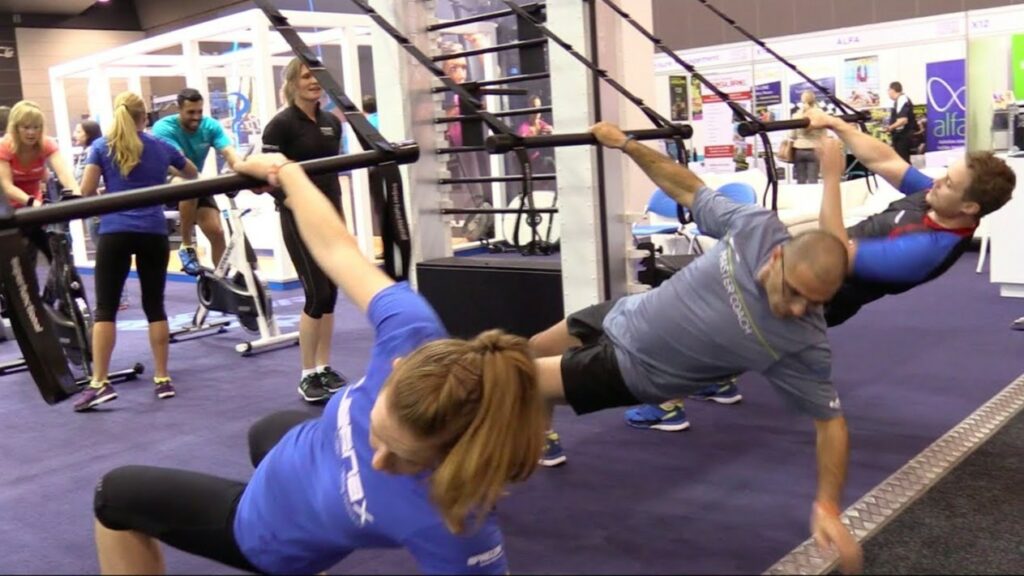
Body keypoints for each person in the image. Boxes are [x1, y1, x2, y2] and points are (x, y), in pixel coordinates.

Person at [90, 151, 545, 575]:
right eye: (379, 432)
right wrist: (286, 172)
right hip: (309, 459)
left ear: (453, 456)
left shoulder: (453, 521)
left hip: (265, 533)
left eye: (404, 458)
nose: (379, 460)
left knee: (113, 494)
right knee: (267, 430)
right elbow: (336, 249)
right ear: (399, 368)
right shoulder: (413, 332)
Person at [530, 121, 862, 574]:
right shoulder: (756, 228)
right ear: (778, 256)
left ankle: (482, 466)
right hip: (627, 313)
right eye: (795, 292)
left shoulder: (802, 343)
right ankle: (542, 439)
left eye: (814, 303)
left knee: (517, 381)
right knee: (533, 348)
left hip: (633, 368)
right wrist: (626, 144)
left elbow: (831, 424)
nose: (798, 308)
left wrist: (827, 505)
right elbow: (690, 189)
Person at [622, 107, 1015, 431]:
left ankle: (668, 405)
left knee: (721, 326)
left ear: (969, 208)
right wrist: (837, 125)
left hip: (817, 297)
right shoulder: (935, 199)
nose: (937, 182)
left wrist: (831, 176)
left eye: (950, 183)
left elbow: (834, 250)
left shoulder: (927, 249)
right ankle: (719, 382)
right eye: (945, 175)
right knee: (740, 331)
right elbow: (885, 160)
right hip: (806, 270)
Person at [73, 91, 199, 412]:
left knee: (105, 309)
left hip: (115, 232)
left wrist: (110, 190)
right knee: (155, 306)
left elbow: (86, 191)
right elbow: (192, 173)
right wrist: (162, 175)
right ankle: (162, 378)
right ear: (145, 117)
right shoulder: (161, 146)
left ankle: (100, 383)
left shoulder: (101, 146)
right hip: (153, 233)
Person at [262, 58, 349, 403]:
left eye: (317, 76)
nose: (314, 82)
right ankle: (307, 374)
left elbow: (332, 175)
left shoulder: (331, 123)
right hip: (299, 217)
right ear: (292, 83)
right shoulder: (280, 126)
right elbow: (270, 179)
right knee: (316, 294)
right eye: (306, 76)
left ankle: (324, 366)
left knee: (331, 293)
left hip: (331, 214)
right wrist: (296, 203)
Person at [152, 88, 241, 275]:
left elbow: (229, 152)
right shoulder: (164, 128)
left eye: (199, 111)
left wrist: (239, 170)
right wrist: (201, 180)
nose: (196, 117)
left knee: (217, 232)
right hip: (168, 180)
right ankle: (186, 246)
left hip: (195, 182)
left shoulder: (210, 126)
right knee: (190, 185)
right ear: (179, 109)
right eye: (191, 112)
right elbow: (180, 164)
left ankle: (221, 278)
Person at [0, 100, 81, 267]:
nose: (31, 132)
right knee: (16, 264)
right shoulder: (5, 147)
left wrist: (76, 193)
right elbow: (7, 186)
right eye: (26, 127)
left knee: (52, 257)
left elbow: (64, 173)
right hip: (7, 212)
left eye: (36, 127)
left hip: (32, 212)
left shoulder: (46, 144)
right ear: (16, 127)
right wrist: (32, 202)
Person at [789, 90, 826, 184]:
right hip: (815, 149)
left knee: (800, 180)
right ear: (814, 99)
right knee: (813, 179)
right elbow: (824, 134)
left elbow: (792, 135)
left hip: (799, 149)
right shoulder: (821, 114)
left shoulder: (797, 115)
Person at [886, 81, 915, 163]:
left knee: (903, 161)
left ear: (892, 90)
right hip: (901, 135)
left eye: (888, 90)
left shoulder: (902, 99)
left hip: (902, 136)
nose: (888, 93)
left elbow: (903, 120)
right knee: (902, 160)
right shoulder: (900, 100)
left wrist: (890, 128)